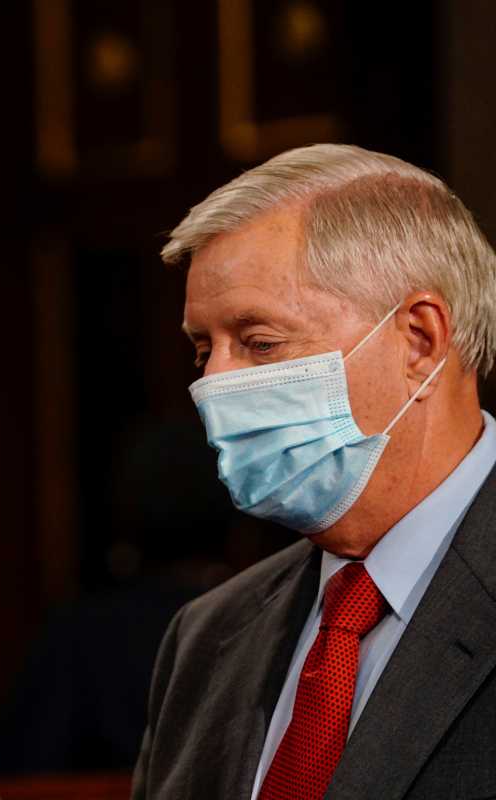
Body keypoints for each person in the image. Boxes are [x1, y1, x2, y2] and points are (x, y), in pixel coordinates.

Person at [133, 143, 496, 800]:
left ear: (419, 339)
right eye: (202, 349)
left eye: (260, 342)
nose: (214, 384)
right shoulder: (207, 635)